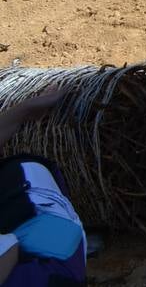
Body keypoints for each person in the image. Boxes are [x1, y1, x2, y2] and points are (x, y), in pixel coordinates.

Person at [0, 90, 87, 286]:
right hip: (53, 250)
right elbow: (9, 249)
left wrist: (24, 110)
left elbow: (8, 249)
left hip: (27, 194)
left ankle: (27, 109)